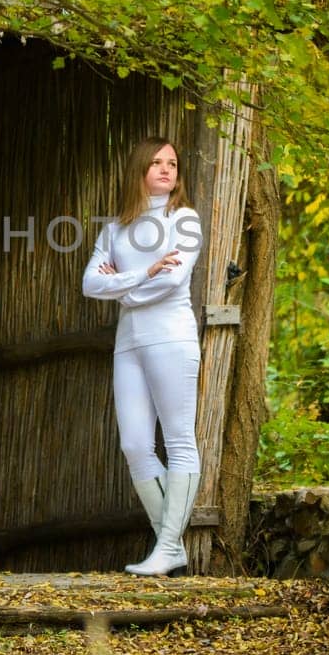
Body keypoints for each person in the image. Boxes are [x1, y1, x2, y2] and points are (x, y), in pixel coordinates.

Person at [81, 136, 203, 576]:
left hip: (171, 335)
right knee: (134, 444)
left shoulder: (183, 220)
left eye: (172, 163)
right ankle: (171, 547)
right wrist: (142, 274)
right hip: (129, 343)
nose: (167, 170)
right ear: (139, 171)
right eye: (156, 163)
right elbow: (89, 284)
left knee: (178, 440)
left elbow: (171, 283)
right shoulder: (114, 229)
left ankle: (168, 545)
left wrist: (124, 289)